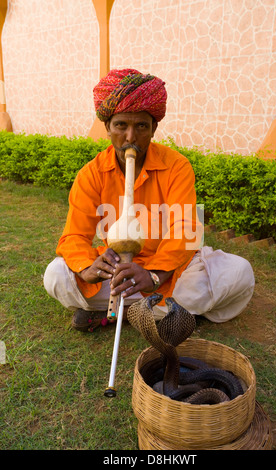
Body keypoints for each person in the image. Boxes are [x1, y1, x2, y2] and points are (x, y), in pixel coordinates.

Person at [43, 68, 255, 332]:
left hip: (169, 272)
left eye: (141, 126)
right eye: (121, 125)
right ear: (108, 127)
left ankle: (120, 311)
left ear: (154, 128)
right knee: (56, 275)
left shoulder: (177, 166)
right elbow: (74, 236)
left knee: (240, 273)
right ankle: (159, 312)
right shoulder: (91, 174)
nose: (131, 137)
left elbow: (187, 232)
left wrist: (154, 275)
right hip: (120, 272)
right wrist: (88, 268)